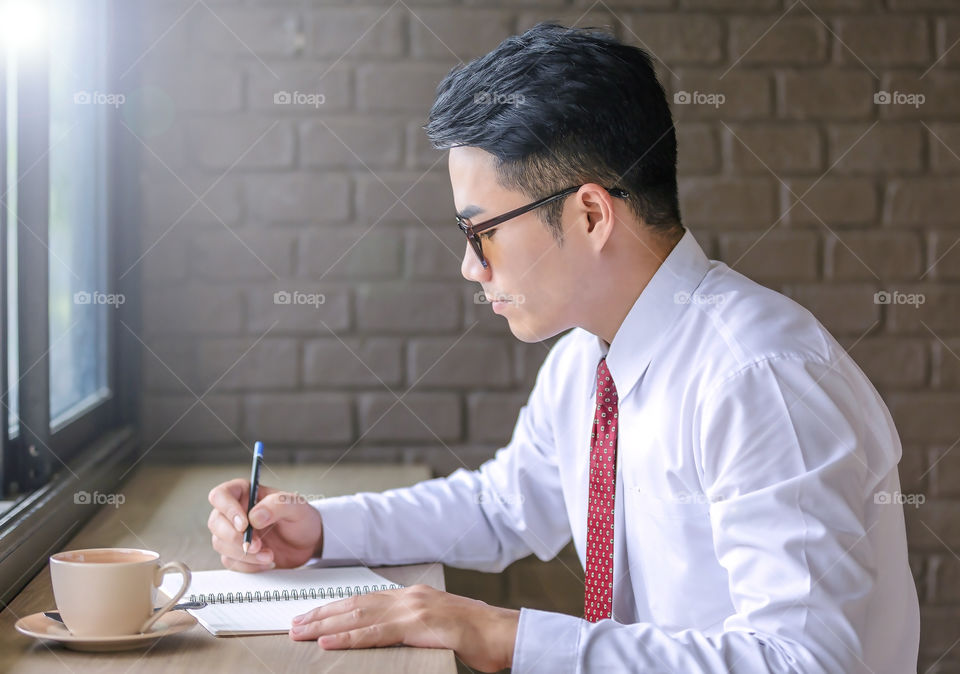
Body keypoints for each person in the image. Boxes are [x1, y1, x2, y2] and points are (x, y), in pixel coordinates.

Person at [206, 23, 920, 673]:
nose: (470, 268)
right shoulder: (588, 361)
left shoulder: (759, 378)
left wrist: (502, 634)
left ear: (588, 214)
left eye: (480, 232)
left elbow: (805, 661)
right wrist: (321, 529)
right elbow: (504, 507)